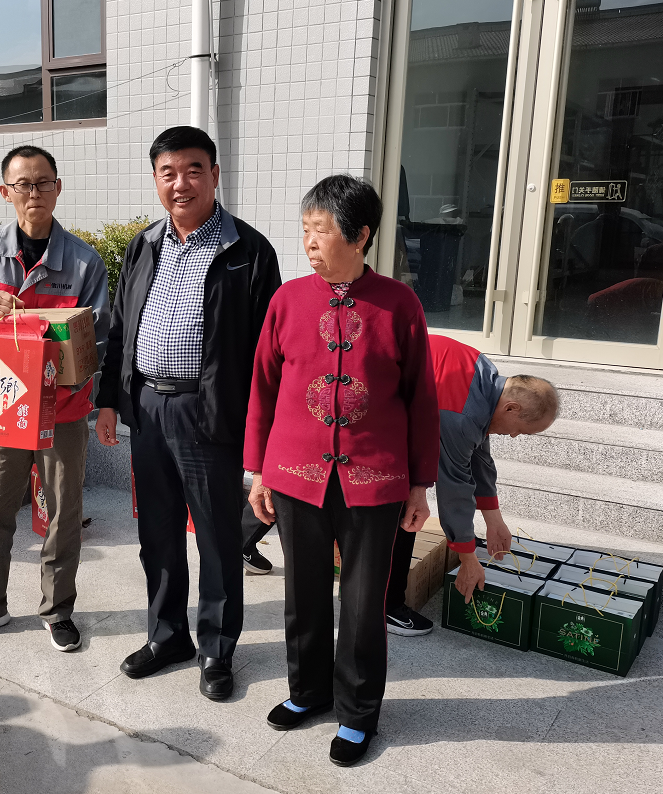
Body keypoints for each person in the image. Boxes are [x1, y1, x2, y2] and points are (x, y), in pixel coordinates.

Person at [244, 174, 439, 767]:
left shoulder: (399, 304)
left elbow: (421, 399)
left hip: (373, 479)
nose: (309, 242)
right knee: (302, 593)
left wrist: (419, 484)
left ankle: (357, 713)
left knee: (361, 603)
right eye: (305, 229)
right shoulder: (287, 301)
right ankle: (307, 691)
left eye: (321, 230)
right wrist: (258, 471)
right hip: (295, 474)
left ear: (360, 236)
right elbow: (263, 388)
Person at [95, 126, 281, 700]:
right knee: (157, 532)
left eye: (193, 170)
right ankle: (167, 635)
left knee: (219, 539)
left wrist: (260, 438)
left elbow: (268, 354)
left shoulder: (248, 251)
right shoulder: (143, 245)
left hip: (210, 412)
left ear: (215, 175)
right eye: (168, 173)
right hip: (148, 409)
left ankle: (217, 649)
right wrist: (109, 398)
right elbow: (121, 327)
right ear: (156, 179)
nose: (181, 184)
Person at [0, 145, 110, 652]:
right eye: (23, 184)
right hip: (3, 402)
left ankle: (57, 610)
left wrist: (69, 361)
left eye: (43, 182)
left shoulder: (84, 262)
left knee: (64, 512)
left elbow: (98, 336)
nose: (33, 192)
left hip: (64, 407)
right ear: (5, 192)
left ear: (58, 188)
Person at [385, 335, 560, 634]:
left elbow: (479, 457)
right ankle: (387, 608)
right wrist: (468, 559)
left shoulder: (485, 375)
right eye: (520, 430)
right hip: (368, 411)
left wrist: (495, 521)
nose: (514, 436)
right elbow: (454, 487)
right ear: (512, 408)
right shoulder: (462, 415)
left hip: (393, 406)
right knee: (403, 510)